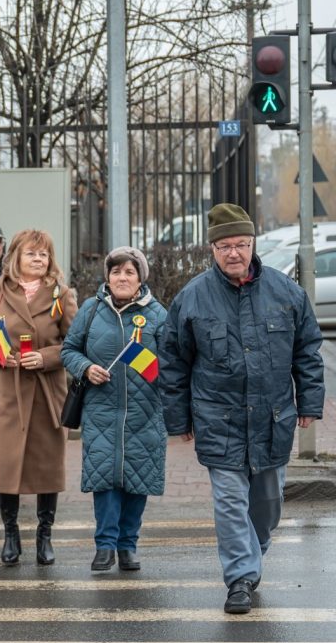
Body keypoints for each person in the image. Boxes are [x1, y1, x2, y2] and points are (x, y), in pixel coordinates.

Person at [160, 203, 323, 614]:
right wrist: (178, 419)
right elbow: (173, 361)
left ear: (252, 244)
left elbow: (307, 352)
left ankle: (253, 555)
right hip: (219, 419)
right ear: (212, 249)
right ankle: (239, 578)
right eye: (225, 246)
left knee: (267, 505)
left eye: (241, 244)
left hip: (273, 418)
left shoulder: (287, 293)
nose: (234, 253)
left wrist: (310, 402)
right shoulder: (192, 297)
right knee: (230, 503)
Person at [61, 247, 168, 572]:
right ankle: (105, 546)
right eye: (116, 271)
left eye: (129, 272)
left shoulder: (157, 315)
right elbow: (69, 350)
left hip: (144, 412)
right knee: (105, 480)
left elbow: (171, 363)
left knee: (138, 480)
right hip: (101, 411)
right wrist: (85, 368)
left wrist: (148, 363)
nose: (122, 277)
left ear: (140, 279)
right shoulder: (91, 309)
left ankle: (128, 546)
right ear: (108, 277)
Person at [0, 229, 77, 566]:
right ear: (16, 256)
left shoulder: (62, 294)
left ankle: (45, 535)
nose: (38, 259)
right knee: (6, 466)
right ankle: (11, 533)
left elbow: (75, 343)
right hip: (9, 391)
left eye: (44, 254)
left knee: (48, 467)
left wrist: (46, 358)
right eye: (31, 253)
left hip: (47, 393)